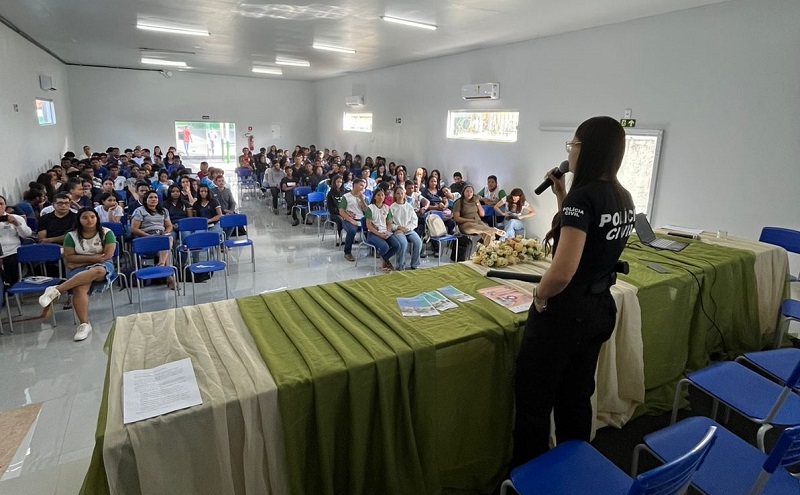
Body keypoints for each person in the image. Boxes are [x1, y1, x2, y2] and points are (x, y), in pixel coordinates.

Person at [511, 116, 636, 467]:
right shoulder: (623, 196)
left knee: (535, 401)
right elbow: (591, 238)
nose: (571, 151)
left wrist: (539, 297)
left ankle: (530, 476)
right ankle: (574, 469)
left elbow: (563, 272)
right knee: (576, 395)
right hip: (598, 307)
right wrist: (563, 195)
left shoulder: (585, 197)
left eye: (574, 144)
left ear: (588, 149)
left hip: (566, 314)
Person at [38, 208, 117, 341]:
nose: (89, 220)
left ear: (97, 218)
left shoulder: (106, 233)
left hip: (103, 266)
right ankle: (84, 324)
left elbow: (106, 256)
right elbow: (69, 257)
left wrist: (81, 261)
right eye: (85, 218)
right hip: (82, 267)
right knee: (79, 288)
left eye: (92, 217)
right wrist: (92, 259)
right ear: (79, 220)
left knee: (97, 270)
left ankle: (57, 290)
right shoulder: (71, 235)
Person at [131, 191, 176, 290]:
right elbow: (134, 229)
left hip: (160, 236)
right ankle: (167, 274)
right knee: (167, 245)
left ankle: (162, 266)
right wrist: (148, 236)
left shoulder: (163, 211)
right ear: (145, 200)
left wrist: (166, 232)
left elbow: (169, 226)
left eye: (155, 197)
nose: (153, 199)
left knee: (169, 238)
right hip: (145, 238)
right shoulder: (140, 211)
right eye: (150, 197)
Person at [0, 195, 34, 285]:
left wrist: (16, 224)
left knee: (12, 261)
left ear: (5, 205)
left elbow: (27, 234)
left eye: (1, 204)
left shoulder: (15, 218)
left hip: (12, 252)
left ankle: (10, 285)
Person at [365, 188, 400, 272]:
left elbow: (389, 223)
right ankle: (383, 264)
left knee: (397, 245)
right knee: (384, 247)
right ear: (375, 197)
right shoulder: (370, 208)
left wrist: (387, 232)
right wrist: (379, 234)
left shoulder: (387, 208)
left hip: (384, 231)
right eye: (378, 195)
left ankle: (384, 259)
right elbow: (369, 226)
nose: (381, 197)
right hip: (373, 233)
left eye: (382, 195)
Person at [390, 186, 422, 270]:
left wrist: (407, 228)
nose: (400, 195)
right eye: (398, 193)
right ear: (395, 195)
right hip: (398, 230)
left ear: (404, 195)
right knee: (403, 243)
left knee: (418, 242)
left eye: (402, 193)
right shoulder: (392, 207)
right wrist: (398, 227)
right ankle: (401, 265)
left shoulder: (409, 206)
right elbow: (389, 224)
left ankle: (415, 264)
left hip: (408, 230)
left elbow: (414, 221)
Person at [339, 178, 369, 262]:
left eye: (364, 186)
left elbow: (367, 212)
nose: (363, 187)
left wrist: (362, 200)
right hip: (349, 220)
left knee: (372, 229)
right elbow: (341, 211)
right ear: (355, 185)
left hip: (362, 219)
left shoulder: (364, 197)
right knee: (352, 230)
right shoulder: (346, 197)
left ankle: (373, 249)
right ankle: (347, 252)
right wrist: (351, 220)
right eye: (361, 185)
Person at [326, 174, 345, 246]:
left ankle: (351, 238)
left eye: (340, 182)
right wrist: (340, 212)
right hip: (335, 214)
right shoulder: (330, 193)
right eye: (338, 182)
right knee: (340, 220)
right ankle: (340, 238)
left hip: (344, 212)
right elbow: (330, 207)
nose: (339, 184)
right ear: (334, 182)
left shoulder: (344, 191)